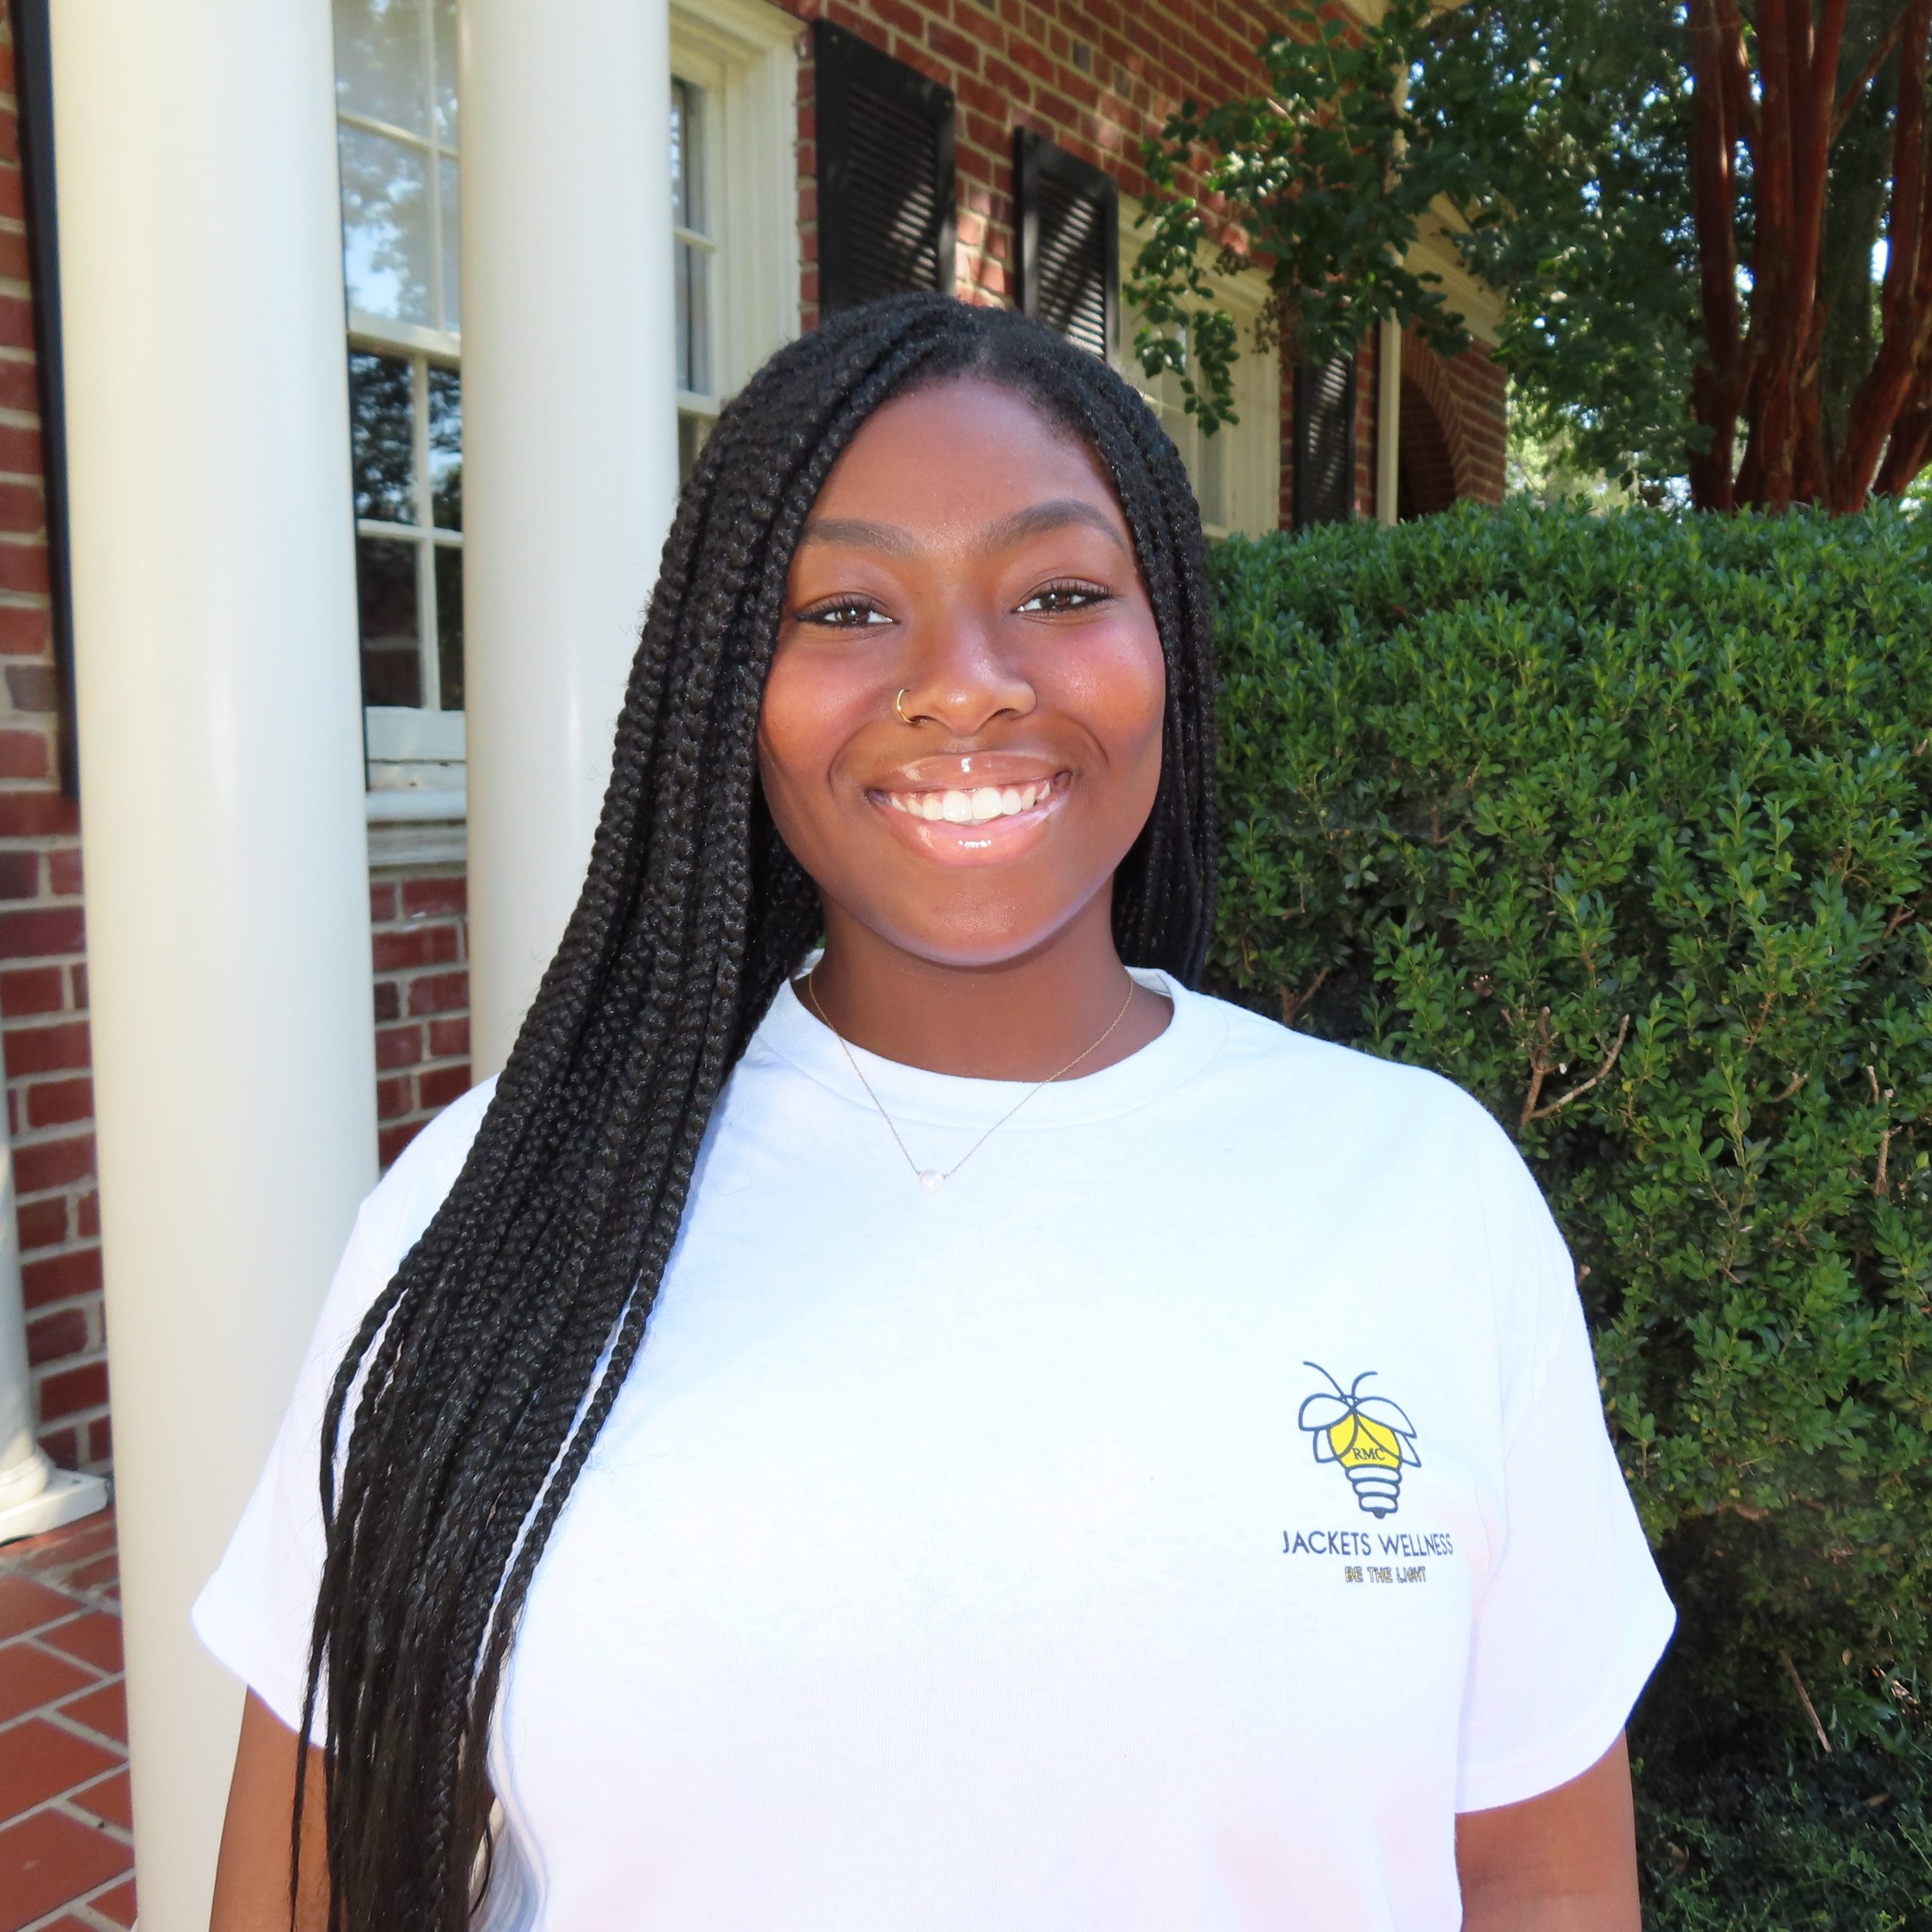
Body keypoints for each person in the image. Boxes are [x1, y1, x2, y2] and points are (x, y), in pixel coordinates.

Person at [197, 292, 1673, 1932]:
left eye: (1055, 590)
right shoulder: (495, 1197)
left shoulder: (1415, 1189)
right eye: (843, 607)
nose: (961, 685)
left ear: (1162, 638)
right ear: (723, 690)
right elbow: (303, 1873)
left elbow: (1537, 1864)